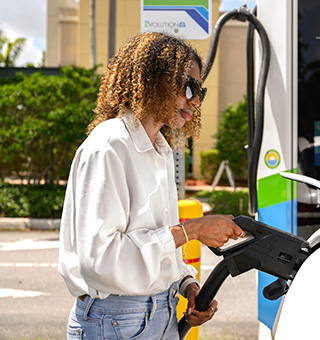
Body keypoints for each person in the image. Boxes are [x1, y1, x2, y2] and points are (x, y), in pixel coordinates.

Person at [58, 32, 245, 339]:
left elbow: (158, 243)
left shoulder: (159, 149)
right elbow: (100, 261)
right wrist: (192, 231)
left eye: (201, 91)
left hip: (160, 313)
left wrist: (187, 284)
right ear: (155, 80)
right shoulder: (109, 146)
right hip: (114, 320)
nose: (196, 100)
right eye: (189, 86)